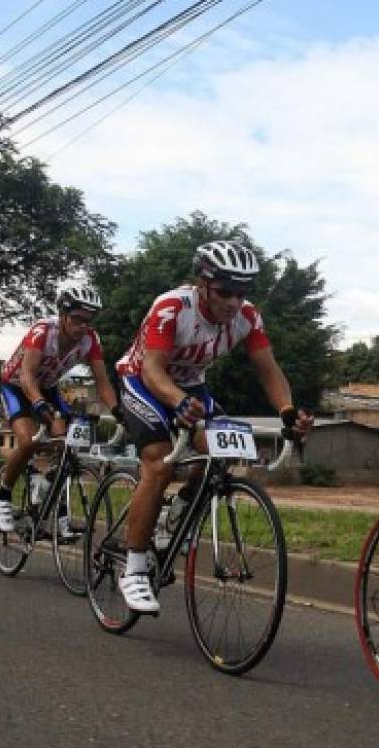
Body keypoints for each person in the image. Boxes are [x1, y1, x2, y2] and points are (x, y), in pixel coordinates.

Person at [114, 240, 314, 615]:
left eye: (242, 293)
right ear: (203, 284)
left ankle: (179, 511)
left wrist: (288, 410)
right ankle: (135, 568)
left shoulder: (248, 317)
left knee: (222, 454)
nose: (234, 303)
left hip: (191, 387)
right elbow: (153, 369)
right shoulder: (172, 307)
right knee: (159, 465)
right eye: (225, 292)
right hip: (144, 381)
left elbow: (269, 370)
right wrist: (176, 402)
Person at [0, 284, 119, 534]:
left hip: (49, 387)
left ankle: (51, 494)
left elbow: (103, 385)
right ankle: (2, 495)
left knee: (66, 443)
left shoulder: (90, 340)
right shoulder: (42, 331)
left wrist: (119, 413)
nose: (82, 326)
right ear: (62, 315)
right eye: (77, 319)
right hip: (17, 385)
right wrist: (38, 404)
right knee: (28, 442)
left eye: (88, 321)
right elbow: (27, 376)